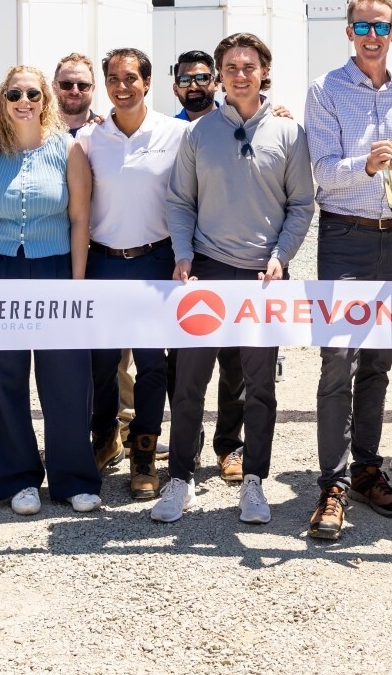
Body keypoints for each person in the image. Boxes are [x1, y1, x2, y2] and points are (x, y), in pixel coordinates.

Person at [155, 33, 315, 527]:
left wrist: (281, 256)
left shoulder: (290, 134)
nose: (239, 74)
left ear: (264, 72)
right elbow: (181, 202)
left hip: (262, 278)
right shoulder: (199, 134)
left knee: (259, 386)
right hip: (206, 270)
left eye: (249, 66)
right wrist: (183, 254)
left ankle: (254, 481)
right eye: (231, 67)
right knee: (188, 383)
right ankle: (180, 480)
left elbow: (301, 205)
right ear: (220, 75)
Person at [302, 0, 392, 540]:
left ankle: (367, 471)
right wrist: (368, 163)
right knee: (339, 359)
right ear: (348, 32)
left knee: (379, 360)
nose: (371, 35)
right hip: (345, 238)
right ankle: (330, 483)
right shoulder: (325, 90)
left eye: (380, 27)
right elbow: (325, 174)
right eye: (361, 26)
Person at [0, 66, 101, 515]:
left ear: (45, 100)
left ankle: (73, 478)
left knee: (65, 375)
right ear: (2, 101)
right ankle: (15, 478)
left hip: (56, 268)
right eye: (14, 94)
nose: (24, 101)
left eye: (32, 93)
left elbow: (80, 219)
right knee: (1, 375)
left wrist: (77, 285)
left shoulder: (69, 149)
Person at [81, 47, 186, 500]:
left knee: (151, 364)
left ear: (147, 82)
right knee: (100, 363)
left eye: (130, 79)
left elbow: (190, 200)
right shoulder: (89, 139)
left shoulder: (177, 133)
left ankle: (145, 452)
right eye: (113, 79)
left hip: (155, 262)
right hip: (102, 261)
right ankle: (105, 439)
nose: (121, 87)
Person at [170, 48, 250, 482]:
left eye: (203, 78)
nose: (195, 85)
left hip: (226, 257)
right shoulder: (169, 131)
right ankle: (186, 446)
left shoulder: (233, 125)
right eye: (187, 79)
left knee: (234, 360)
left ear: (216, 82)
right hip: (180, 258)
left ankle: (229, 446)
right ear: (175, 85)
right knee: (183, 364)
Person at [55, 53, 99, 133]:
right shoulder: (38, 131)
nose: (74, 91)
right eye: (66, 84)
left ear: (92, 89)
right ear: (54, 86)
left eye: (83, 85)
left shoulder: (104, 132)